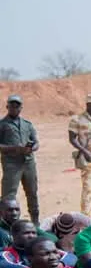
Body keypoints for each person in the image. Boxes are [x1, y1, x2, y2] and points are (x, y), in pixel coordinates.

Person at [0, 220, 77, 268]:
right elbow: (9, 267)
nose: (31, 236)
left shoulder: (42, 248)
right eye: (26, 233)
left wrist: (60, 264)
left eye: (34, 233)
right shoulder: (6, 254)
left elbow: (71, 257)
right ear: (14, 235)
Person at [0, 95, 40, 224]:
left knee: (32, 192)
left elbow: (36, 142)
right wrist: (15, 148)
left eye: (17, 106)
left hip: (28, 162)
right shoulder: (2, 124)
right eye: (12, 105)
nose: (14, 108)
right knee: (9, 195)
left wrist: (32, 148)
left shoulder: (27, 124)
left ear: (21, 108)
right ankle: (6, 223)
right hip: (11, 164)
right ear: (7, 107)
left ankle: (35, 221)